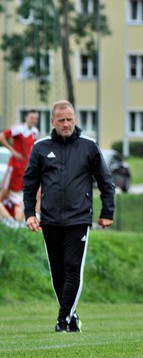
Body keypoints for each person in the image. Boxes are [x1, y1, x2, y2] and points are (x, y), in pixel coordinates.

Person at [22, 100, 116, 333]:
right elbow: (30, 183)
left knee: (73, 268)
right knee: (58, 273)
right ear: (53, 121)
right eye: (61, 120)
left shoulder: (89, 146)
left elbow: (106, 183)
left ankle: (62, 319)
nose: (66, 124)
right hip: (50, 220)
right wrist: (29, 213)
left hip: (79, 220)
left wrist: (107, 213)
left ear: (75, 119)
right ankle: (72, 316)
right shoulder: (40, 147)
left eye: (70, 119)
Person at [0, 110, 39, 223]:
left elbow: (32, 148)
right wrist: (13, 151)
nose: (33, 120)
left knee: (20, 193)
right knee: (4, 191)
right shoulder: (19, 128)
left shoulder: (34, 132)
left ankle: (15, 219)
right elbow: (2, 137)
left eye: (35, 118)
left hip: (24, 167)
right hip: (14, 166)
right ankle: (9, 220)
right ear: (26, 117)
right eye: (31, 117)